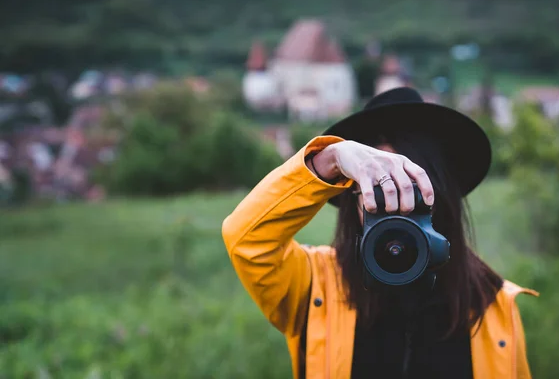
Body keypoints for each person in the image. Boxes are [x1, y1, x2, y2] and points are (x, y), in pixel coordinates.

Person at [222, 87, 538, 379]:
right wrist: (330, 159)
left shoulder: (494, 305)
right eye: (377, 189)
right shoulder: (313, 286)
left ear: (440, 195)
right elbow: (247, 238)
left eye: (410, 188)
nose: (394, 206)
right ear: (353, 202)